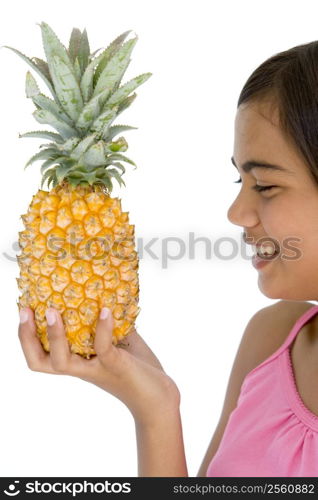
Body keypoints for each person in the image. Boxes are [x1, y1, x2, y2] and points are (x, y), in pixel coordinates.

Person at [18, 38, 318, 477]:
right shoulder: (272, 339)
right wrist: (155, 409)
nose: (236, 213)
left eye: (265, 185)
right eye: (239, 179)